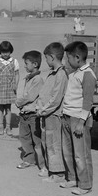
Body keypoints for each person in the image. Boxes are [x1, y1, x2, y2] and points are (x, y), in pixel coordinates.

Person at [60, 41, 97, 195]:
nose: (67, 62)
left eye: (68, 58)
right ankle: (72, 178)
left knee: (81, 154)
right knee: (68, 151)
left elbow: (88, 101)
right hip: (67, 116)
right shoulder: (74, 72)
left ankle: (85, 184)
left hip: (78, 120)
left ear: (77, 57)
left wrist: (82, 122)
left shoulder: (88, 75)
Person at [36, 43, 69, 183]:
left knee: (54, 143)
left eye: (46, 58)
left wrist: (43, 110)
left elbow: (56, 99)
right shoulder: (52, 72)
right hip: (46, 114)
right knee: (47, 142)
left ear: (52, 57)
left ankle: (58, 173)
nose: (46, 61)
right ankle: (51, 169)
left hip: (53, 115)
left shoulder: (61, 74)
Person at [15, 51, 46, 175]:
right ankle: (29, 160)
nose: (24, 66)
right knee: (24, 138)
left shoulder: (38, 79)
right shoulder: (28, 77)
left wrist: (18, 102)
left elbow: (30, 96)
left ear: (35, 64)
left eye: (26, 63)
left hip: (33, 114)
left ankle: (43, 165)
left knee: (37, 140)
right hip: (24, 114)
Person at [0, 41, 20, 136]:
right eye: (3, 52)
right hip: (0, 87)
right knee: (0, 108)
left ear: (10, 51)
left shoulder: (14, 61)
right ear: (0, 52)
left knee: (8, 108)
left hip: (9, 88)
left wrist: (16, 84)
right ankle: (1, 126)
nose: (5, 54)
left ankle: (8, 126)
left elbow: (17, 74)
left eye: (7, 52)